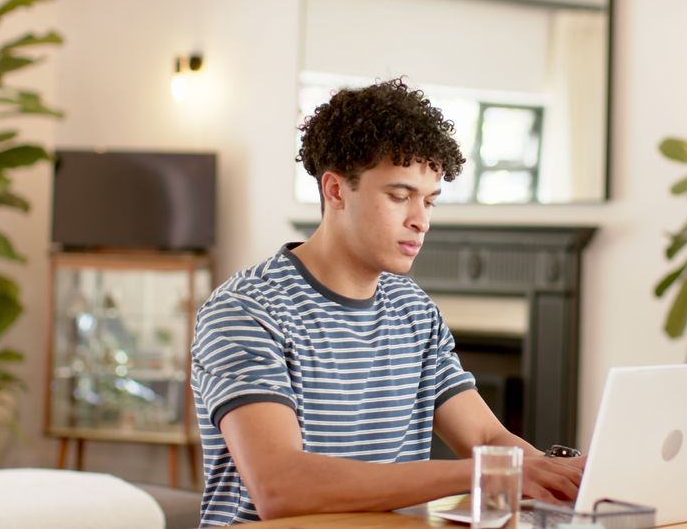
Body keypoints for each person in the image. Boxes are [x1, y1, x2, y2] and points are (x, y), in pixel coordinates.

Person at [190, 78, 583, 525]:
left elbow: (488, 435)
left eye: (430, 202)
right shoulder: (247, 310)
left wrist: (558, 477)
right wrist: (476, 475)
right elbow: (281, 486)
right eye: (400, 196)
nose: (420, 222)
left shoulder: (412, 309)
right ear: (335, 191)